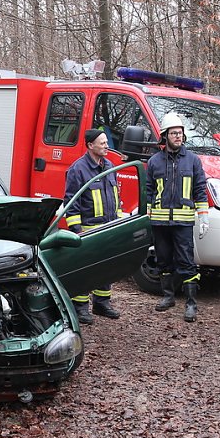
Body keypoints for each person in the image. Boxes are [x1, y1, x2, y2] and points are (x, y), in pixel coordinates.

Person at [145, 112, 208, 322]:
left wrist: (203, 216)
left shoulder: (192, 161)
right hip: (160, 222)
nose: (178, 136)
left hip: (183, 222)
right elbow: (149, 189)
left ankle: (191, 304)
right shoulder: (154, 162)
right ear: (165, 136)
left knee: (187, 262)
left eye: (180, 133)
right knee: (163, 260)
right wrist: (148, 212)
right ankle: (168, 297)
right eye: (174, 133)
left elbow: (200, 189)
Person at [64, 128, 122, 324]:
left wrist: (119, 224)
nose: (107, 146)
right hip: (88, 230)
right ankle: (79, 307)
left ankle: (101, 303)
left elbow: (116, 198)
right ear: (90, 145)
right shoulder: (78, 169)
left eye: (107, 142)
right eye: (103, 143)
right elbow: (71, 203)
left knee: (106, 268)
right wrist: (77, 231)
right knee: (85, 271)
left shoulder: (109, 166)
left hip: (108, 228)